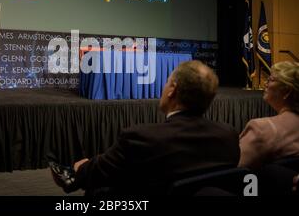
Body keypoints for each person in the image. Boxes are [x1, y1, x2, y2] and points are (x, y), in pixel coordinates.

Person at [53, 60, 240, 195]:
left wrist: (82, 167)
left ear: (172, 90)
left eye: (167, 82)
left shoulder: (141, 138)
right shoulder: (229, 136)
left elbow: (98, 174)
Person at [239, 61, 299, 170]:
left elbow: (237, 171)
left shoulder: (261, 128)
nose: (266, 83)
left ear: (287, 91)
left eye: (271, 80)